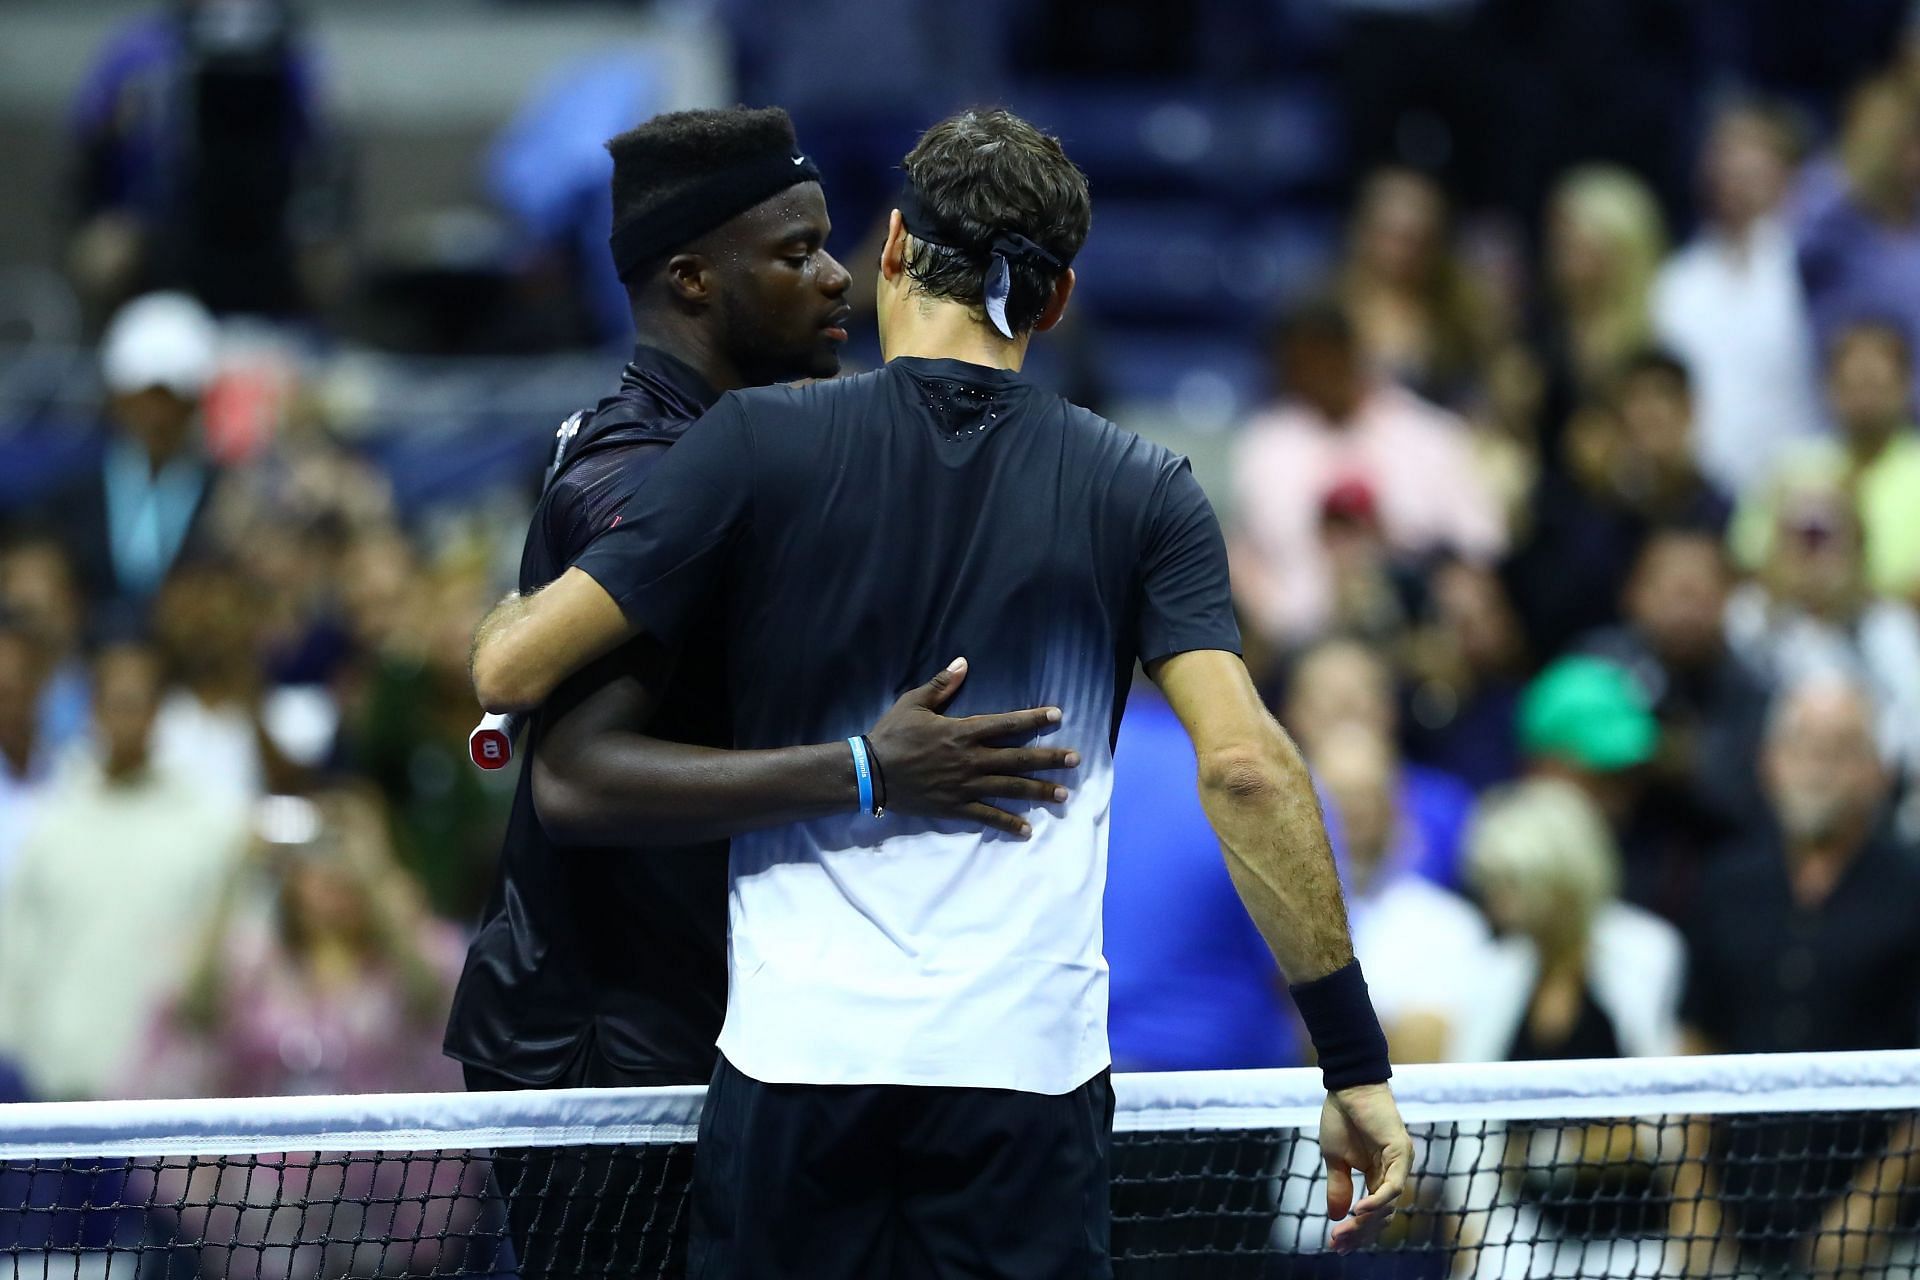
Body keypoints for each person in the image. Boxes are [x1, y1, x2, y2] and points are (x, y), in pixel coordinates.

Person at [468, 108, 1412, 1275]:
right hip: (1025, 1087)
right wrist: (1352, 1059)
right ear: (1055, 301)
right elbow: (1248, 766)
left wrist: (518, 609)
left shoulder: (755, 446)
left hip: (795, 1077)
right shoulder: (1147, 490)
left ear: (896, 247)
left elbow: (507, 670)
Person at [442, 107, 1080, 1279]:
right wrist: (867, 769)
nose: (839, 275)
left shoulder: (718, 445)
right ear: (691, 279)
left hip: (704, 1010)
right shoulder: (643, 472)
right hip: (601, 1046)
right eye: (794, 256)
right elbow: (576, 779)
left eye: (830, 243)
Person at [1668, 678, 1920, 1278]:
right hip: (1739, 1221)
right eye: (1803, 745)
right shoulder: (1726, 885)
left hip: (1890, 1241)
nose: (1819, 766)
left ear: (1878, 771)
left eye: (1841, 749)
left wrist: (1871, 1207)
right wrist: (1691, 1200)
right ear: (1769, 763)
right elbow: (1697, 1045)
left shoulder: (1914, 891)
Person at [1449, 778, 1684, 1280]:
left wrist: (1549, 1154)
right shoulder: (1492, 974)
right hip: (1522, 1238)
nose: (1495, 903)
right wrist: (1471, 1229)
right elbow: (1474, 1130)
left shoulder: (1650, 955)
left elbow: (1663, 1128)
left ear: (1555, 881)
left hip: (1635, 1240)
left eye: (1509, 885)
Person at [0, 640, 246, 1100]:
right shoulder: (49, 823)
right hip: (61, 1092)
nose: (126, 716)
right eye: (115, 702)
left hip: (172, 1101)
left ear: (159, 712)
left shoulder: (210, 826)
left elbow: (237, 948)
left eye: (138, 702)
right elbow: (14, 953)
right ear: (93, 710)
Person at [133, 789, 466, 1099]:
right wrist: (235, 870)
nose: (334, 876)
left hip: (384, 1159)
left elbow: (435, 997)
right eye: (318, 857)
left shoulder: (410, 956)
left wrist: (372, 866)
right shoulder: (256, 963)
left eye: (345, 860)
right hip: (268, 1160)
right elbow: (193, 1007)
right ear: (293, 878)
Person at [1229, 299, 1506, 650]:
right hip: (1300, 642)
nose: (1318, 372)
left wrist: (1397, 545)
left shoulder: (1429, 435)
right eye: (1302, 362)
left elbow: (1481, 544)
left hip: (1419, 634)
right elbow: (1245, 559)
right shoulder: (1267, 444)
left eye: (1328, 356)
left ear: (1353, 352)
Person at [1652, 101, 1823, 496]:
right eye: (1725, 160)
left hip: (1797, 485)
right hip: (1704, 491)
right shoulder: (1678, 281)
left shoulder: (1810, 263)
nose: (1736, 176)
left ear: (1789, 173)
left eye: (1752, 161)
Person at [33, 292, 227, 624]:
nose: (158, 417)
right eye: (144, 399)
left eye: (171, 400)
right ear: (118, 397)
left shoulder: (226, 496)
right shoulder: (70, 496)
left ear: (195, 403)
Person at [1725, 485, 1920, 778]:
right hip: (1764, 778)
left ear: (1857, 546)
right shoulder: (1749, 617)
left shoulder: (1886, 626)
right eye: (1804, 540)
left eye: (1827, 540)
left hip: (1867, 780)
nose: (1815, 558)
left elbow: (1912, 719)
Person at [1732, 319, 1920, 607]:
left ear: (1904, 386)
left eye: (1875, 385)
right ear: (1829, 387)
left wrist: (1858, 603)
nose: (1865, 401)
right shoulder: (1790, 466)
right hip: (1797, 624)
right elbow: (1748, 563)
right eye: (1853, 386)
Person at [1282, 637, 1477, 891]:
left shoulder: (1447, 807)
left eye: (1363, 692)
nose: (1347, 707)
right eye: (1326, 696)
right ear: (1292, 714)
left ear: (1391, 709)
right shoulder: (1259, 811)